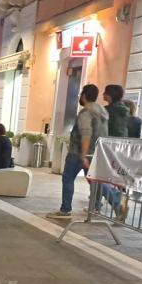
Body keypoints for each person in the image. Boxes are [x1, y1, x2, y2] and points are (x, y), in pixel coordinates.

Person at [47, 84, 108, 219]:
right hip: (96, 153)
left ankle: (65, 210)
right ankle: (113, 202)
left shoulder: (86, 113)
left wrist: (84, 155)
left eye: (81, 94)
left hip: (79, 153)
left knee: (68, 178)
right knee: (95, 181)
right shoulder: (102, 111)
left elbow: (86, 134)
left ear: (85, 95)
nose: (80, 96)